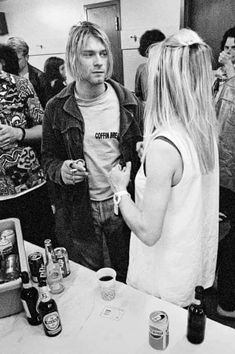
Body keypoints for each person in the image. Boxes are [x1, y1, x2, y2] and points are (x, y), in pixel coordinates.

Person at [108, 28, 219, 307]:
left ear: (161, 83)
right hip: (189, 265)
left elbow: (148, 231)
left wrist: (120, 191)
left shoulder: (165, 147)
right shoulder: (203, 130)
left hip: (163, 277)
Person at [41, 21, 143, 283]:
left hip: (123, 203)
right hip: (80, 206)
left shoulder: (129, 102)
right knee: (86, 275)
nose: (99, 61)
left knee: (126, 271)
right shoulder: (56, 107)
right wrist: (62, 170)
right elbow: (48, 158)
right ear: (74, 59)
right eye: (89, 54)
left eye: (103, 53)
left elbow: (143, 155)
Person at [0, 44, 55, 248]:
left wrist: (18, 133)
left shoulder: (20, 85)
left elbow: (45, 130)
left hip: (31, 186)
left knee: (44, 247)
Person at [215, 74, 235, 319]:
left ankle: (220, 287)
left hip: (222, 175)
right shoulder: (229, 86)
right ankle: (227, 302)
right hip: (229, 177)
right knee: (232, 238)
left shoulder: (228, 85)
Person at [7, 37, 46, 108]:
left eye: (17, 60)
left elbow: (47, 106)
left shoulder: (40, 77)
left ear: (27, 57)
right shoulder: (6, 77)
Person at [135, 29, 165, 102]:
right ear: (146, 52)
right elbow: (138, 94)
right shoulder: (141, 69)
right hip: (147, 108)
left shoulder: (170, 69)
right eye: (150, 50)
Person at [213, 27, 235, 99]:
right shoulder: (220, 71)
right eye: (226, 47)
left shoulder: (228, 66)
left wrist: (229, 65)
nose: (229, 51)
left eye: (234, 48)